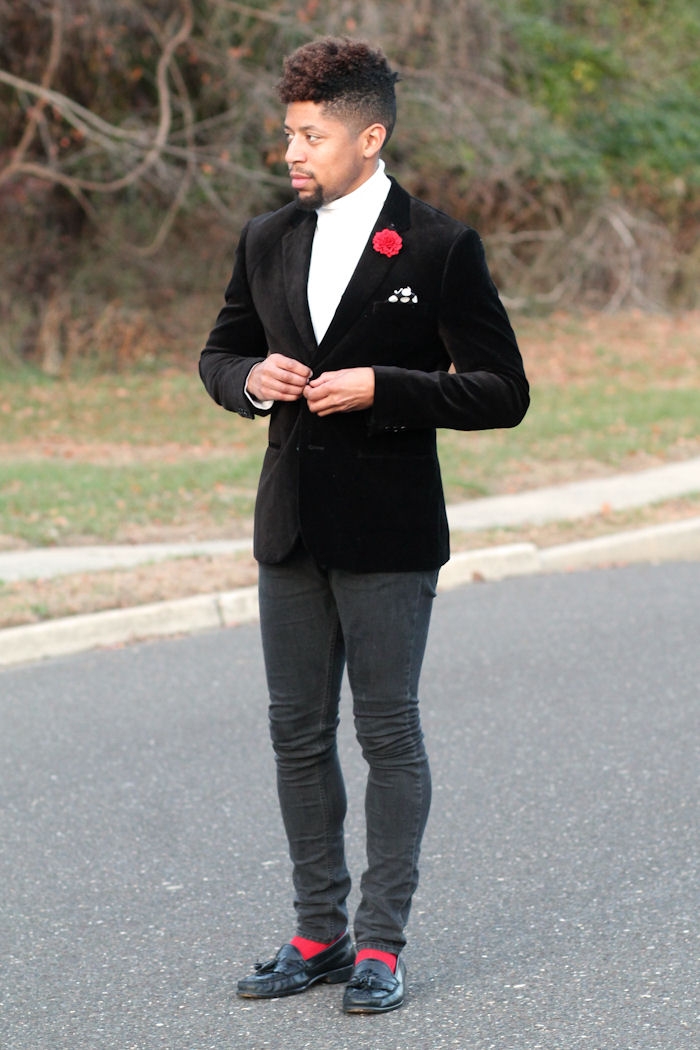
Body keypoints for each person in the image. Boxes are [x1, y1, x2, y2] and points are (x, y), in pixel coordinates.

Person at [199, 36, 529, 1014]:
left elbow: (502, 390)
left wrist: (388, 386)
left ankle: (381, 943)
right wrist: (248, 379)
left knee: (387, 734)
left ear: (369, 137)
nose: (291, 153)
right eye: (288, 134)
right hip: (289, 529)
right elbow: (219, 354)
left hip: (389, 532)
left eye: (311, 135)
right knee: (296, 736)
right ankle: (319, 933)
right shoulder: (266, 237)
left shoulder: (438, 245)